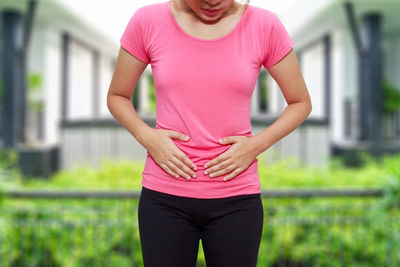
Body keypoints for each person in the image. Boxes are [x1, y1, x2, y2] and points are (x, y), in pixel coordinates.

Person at [107, 0, 312, 266]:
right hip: (165, 198)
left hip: (237, 199)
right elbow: (117, 96)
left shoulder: (265, 25)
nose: (213, 3)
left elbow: (300, 103)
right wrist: (148, 138)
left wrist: (255, 145)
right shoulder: (147, 21)